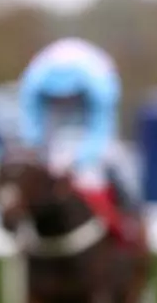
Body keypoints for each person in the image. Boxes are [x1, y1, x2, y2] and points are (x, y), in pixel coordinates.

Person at [18, 37, 140, 243]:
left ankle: (131, 225)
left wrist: (83, 159)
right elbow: (33, 132)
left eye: (71, 93)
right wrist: (37, 151)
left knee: (125, 169)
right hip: (51, 154)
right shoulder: (41, 96)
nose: (64, 99)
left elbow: (101, 130)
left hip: (94, 154)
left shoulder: (97, 95)